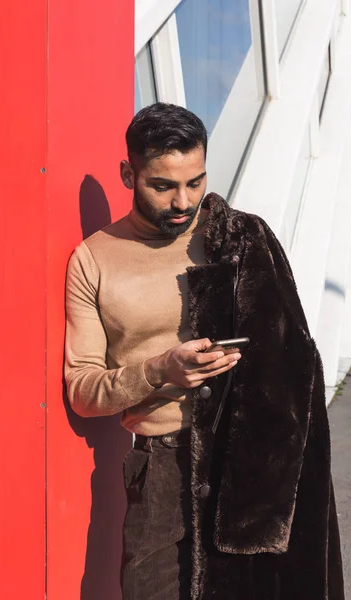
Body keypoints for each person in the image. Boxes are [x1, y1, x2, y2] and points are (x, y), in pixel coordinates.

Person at [64, 103, 344, 600]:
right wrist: (159, 370)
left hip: (248, 465)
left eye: (195, 182)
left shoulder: (237, 240)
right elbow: (83, 392)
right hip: (161, 470)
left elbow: (296, 359)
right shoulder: (93, 260)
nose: (183, 201)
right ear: (128, 173)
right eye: (163, 185)